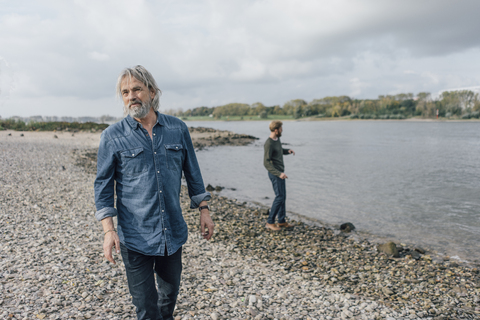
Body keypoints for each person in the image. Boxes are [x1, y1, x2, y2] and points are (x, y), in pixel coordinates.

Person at [94, 65, 214, 320]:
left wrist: (204, 210)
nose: (131, 96)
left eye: (136, 89)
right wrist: (108, 230)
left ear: (152, 91)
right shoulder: (112, 136)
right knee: (147, 309)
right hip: (134, 238)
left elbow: (193, 172)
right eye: (125, 92)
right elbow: (103, 186)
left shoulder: (177, 129)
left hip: (172, 233)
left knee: (167, 303)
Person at [263, 120, 295, 231]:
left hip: (280, 173)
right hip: (275, 174)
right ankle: (270, 222)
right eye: (281, 128)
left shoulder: (277, 139)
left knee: (283, 197)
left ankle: (281, 221)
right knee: (279, 197)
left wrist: (288, 151)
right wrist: (278, 174)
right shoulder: (269, 143)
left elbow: (279, 151)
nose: (282, 130)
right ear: (276, 130)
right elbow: (266, 163)